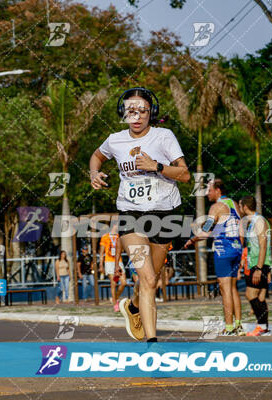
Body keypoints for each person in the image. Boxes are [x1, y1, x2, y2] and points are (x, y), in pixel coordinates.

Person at [90, 87, 190, 342]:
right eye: (130, 111)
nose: (136, 116)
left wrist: (156, 166)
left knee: (151, 280)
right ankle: (153, 343)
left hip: (165, 216)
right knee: (146, 278)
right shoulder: (115, 140)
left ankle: (133, 306)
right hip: (131, 216)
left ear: (151, 113)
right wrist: (94, 173)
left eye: (142, 111)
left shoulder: (164, 137)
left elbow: (185, 174)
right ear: (123, 113)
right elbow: (97, 156)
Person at [185, 179, 243, 335]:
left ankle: (229, 327)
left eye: (209, 190)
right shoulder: (234, 204)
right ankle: (238, 324)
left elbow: (205, 230)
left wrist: (192, 240)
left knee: (225, 290)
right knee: (233, 289)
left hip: (223, 249)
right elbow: (240, 229)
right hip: (237, 247)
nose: (207, 193)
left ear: (218, 190)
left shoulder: (216, 207)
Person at [238, 195, 272, 336]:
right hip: (256, 262)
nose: (239, 209)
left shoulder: (259, 221)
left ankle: (262, 326)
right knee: (259, 297)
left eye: (240, 206)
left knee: (250, 294)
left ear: (245, 207)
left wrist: (259, 268)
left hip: (259, 263)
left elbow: (264, 246)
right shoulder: (253, 222)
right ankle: (263, 327)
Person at [100, 223, 126, 311]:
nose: (118, 226)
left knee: (123, 282)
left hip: (119, 261)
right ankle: (115, 304)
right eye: (116, 225)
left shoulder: (119, 236)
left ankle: (115, 298)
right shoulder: (105, 237)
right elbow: (102, 252)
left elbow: (122, 249)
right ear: (113, 226)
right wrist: (101, 264)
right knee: (113, 283)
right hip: (109, 261)